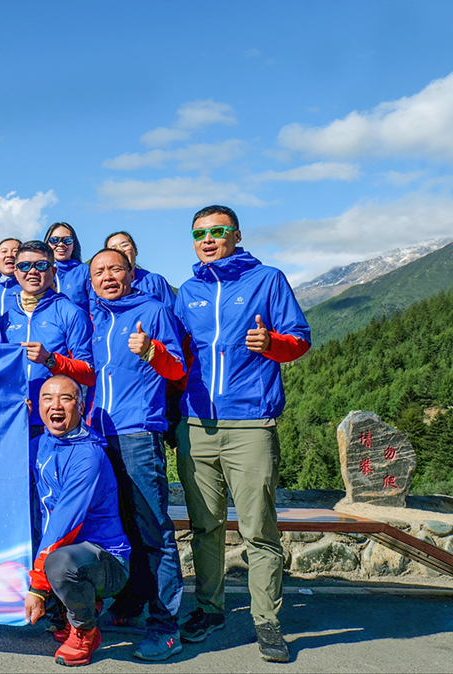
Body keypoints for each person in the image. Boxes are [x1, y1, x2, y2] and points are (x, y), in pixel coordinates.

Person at [174, 205, 310, 663]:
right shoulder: (188, 291)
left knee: (258, 530)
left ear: (236, 234)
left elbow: (300, 339)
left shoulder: (268, 280)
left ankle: (266, 621)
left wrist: (272, 344)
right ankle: (209, 609)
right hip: (197, 424)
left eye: (217, 231)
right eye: (199, 234)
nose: (208, 240)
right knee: (205, 527)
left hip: (251, 422)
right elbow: (177, 359)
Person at [86, 248, 186, 661]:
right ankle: (131, 605)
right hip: (98, 435)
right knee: (120, 526)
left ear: (131, 273)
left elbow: (178, 369)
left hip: (138, 434)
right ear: (91, 281)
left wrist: (151, 351)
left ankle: (166, 627)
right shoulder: (95, 317)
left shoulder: (154, 310)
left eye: (115, 268)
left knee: (153, 531)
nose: (107, 276)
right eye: (99, 271)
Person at [24, 375, 130, 668]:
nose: (56, 405)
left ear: (81, 407)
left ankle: (85, 630)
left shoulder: (88, 455)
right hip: (66, 553)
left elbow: (63, 526)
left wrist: (37, 588)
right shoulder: (39, 445)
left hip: (106, 561)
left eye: (66, 398)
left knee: (59, 563)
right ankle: (70, 607)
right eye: (47, 398)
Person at [0, 241, 94, 433]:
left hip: (56, 423)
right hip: (13, 421)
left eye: (41, 265)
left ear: (54, 271)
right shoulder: (4, 321)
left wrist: (50, 360)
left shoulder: (72, 313)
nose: (32, 271)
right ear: (16, 272)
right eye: (24, 265)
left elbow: (89, 374)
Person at [102, 231, 175, 307]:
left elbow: (171, 311)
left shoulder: (155, 281)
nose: (120, 250)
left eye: (125, 245)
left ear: (135, 250)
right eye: (113, 248)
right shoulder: (102, 285)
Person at [44, 222, 90, 313]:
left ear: (74, 245)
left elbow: (96, 307)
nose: (60, 244)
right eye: (54, 240)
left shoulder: (85, 271)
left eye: (67, 240)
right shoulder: (40, 273)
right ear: (47, 245)